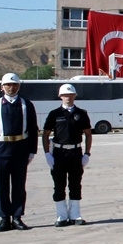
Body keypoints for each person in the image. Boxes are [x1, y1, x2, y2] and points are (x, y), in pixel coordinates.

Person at [0, 73, 38, 231]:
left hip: (20, 148)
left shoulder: (26, 105)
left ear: (19, 86)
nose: (11, 87)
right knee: (1, 186)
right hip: (0, 150)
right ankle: (4, 218)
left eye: (14, 85)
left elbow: (33, 129)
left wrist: (32, 150)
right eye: (7, 85)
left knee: (19, 185)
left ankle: (17, 217)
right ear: (2, 87)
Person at [42, 83, 93, 226]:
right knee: (59, 184)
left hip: (76, 152)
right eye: (65, 95)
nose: (68, 97)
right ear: (60, 97)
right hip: (59, 153)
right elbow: (45, 134)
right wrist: (47, 154)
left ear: (75, 96)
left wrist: (87, 154)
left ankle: (75, 215)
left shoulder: (81, 114)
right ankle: (61, 216)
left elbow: (88, 134)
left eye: (71, 95)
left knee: (75, 184)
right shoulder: (54, 114)